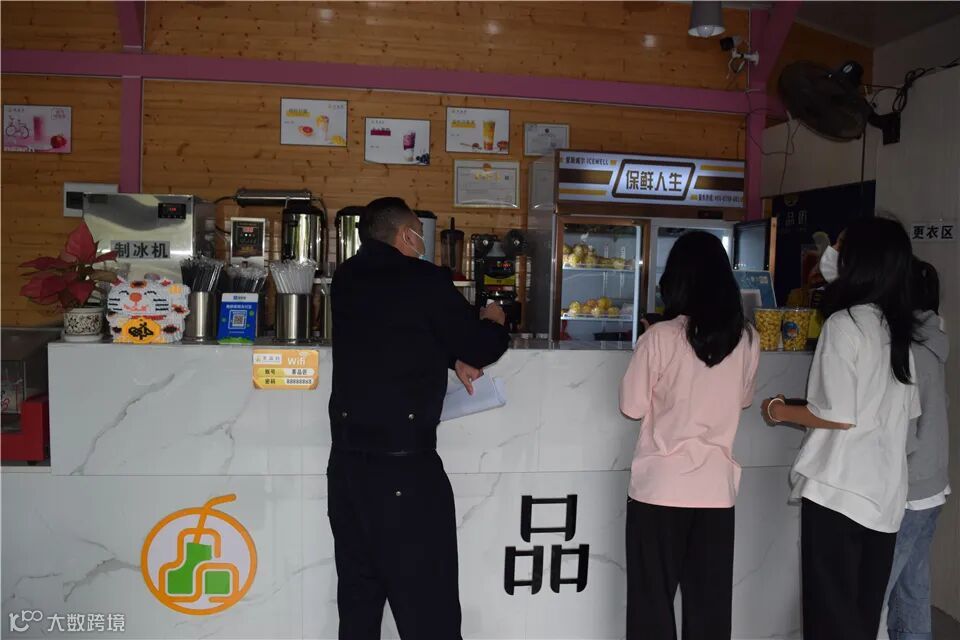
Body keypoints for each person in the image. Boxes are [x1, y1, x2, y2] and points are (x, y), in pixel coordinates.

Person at [327, 197, 509, 639]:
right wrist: (494, 321)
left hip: (347, 468)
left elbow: (394, 335)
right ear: (405, 235)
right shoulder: (423, 279)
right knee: (430, 612)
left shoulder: (346, 277)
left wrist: (449, 357)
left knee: (359, 604)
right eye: (418, 232)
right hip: (404, 470)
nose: (421, 241)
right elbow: (478, 344)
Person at [761, 217, 921, 640]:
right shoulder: (897, 330)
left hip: (839, 495)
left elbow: (837, 414)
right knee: (861, 620)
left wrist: (779, 410)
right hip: (885, 499)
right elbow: (903, 414)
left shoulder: (845, 324)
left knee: (828, 619)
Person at [620, 231, 759, 640]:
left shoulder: (660, 337)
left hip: (660, 491)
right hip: (715, 491)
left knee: (651, 607)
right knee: (709, 610)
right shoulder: (747, 339)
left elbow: (632, 406)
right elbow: (743, 400)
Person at [884, 259, 950, 640]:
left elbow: (904, 427)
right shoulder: (934, 340)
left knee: (877, 591)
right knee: (913, 589)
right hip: (933, 486)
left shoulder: (906, 348)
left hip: (909, 489)